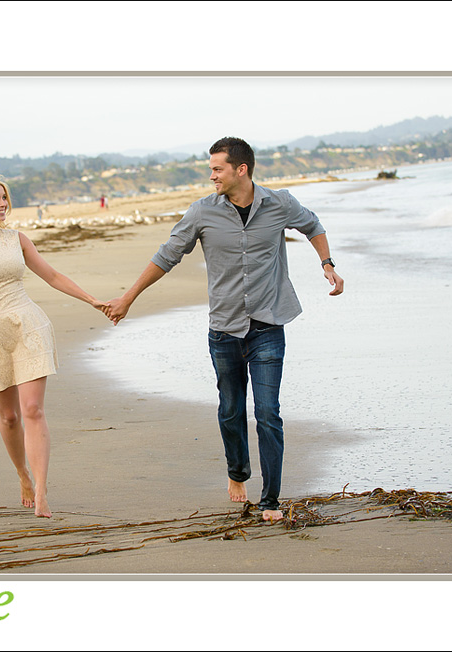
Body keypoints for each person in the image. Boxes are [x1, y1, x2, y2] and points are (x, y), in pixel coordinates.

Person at [103, 137, 344, 522]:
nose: (211, 175)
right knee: (231, 411)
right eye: (212, 169)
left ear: (241, 170)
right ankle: (237, 472)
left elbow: (312, 224)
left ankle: (270, 501)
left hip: (268, 325)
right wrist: (128, 297)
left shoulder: (279, 203)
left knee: (268, 413)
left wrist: (327, 263)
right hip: (225, 330)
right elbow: (168, 255)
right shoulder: (202, 212)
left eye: (217, 168)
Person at [0, 173, 106, 517]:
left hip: (28, 325)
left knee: (33, 410)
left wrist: (92, 300)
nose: (2, 204)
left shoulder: (18, 239)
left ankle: (43, 492)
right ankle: (23, 476)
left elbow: (52, 275)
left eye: (4, 197)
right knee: (10, 416)